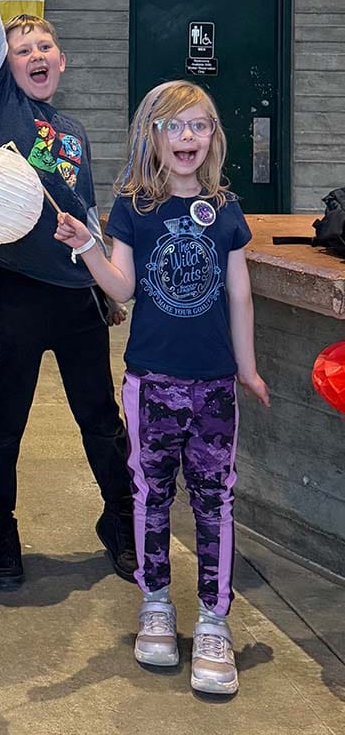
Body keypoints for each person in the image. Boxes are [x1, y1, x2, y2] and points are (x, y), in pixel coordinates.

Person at [54, 81, 270, 695]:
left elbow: (240, 295)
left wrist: (248, 368)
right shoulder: (133, 208)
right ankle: (155, 603)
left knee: (214, 501)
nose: (186, 137)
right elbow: (122, 287)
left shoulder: (226, 209)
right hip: (150, 384)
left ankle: (213, 620)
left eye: (199, 125)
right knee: (151, 496)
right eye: (173, 126)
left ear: (214, 136)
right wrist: (88, 246)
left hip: (215, 386)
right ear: (151, 135)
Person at [0, 0, 136, 589]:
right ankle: (0, 535)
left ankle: (120, 523)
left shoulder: (75, 131)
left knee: (101, 420)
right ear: (6, 65)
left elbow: (84, 212)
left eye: (43, 48)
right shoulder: (2, 104)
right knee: (6, 423)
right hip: (19, 291)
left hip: (78, 296)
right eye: (21, 49)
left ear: (62, 60)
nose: (34, 56)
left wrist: (103, 280)